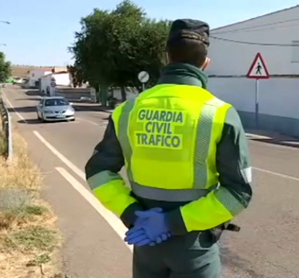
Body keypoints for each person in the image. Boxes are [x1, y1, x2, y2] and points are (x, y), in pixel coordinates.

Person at [85, 18, 253, 278]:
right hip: (194, 246)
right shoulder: (219, 114)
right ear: (205, 64)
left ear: (167, 58)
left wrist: (134, 214)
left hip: (145, 239)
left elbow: (98, 172)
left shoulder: (128, 110)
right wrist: (171, 222)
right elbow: (238, 193)